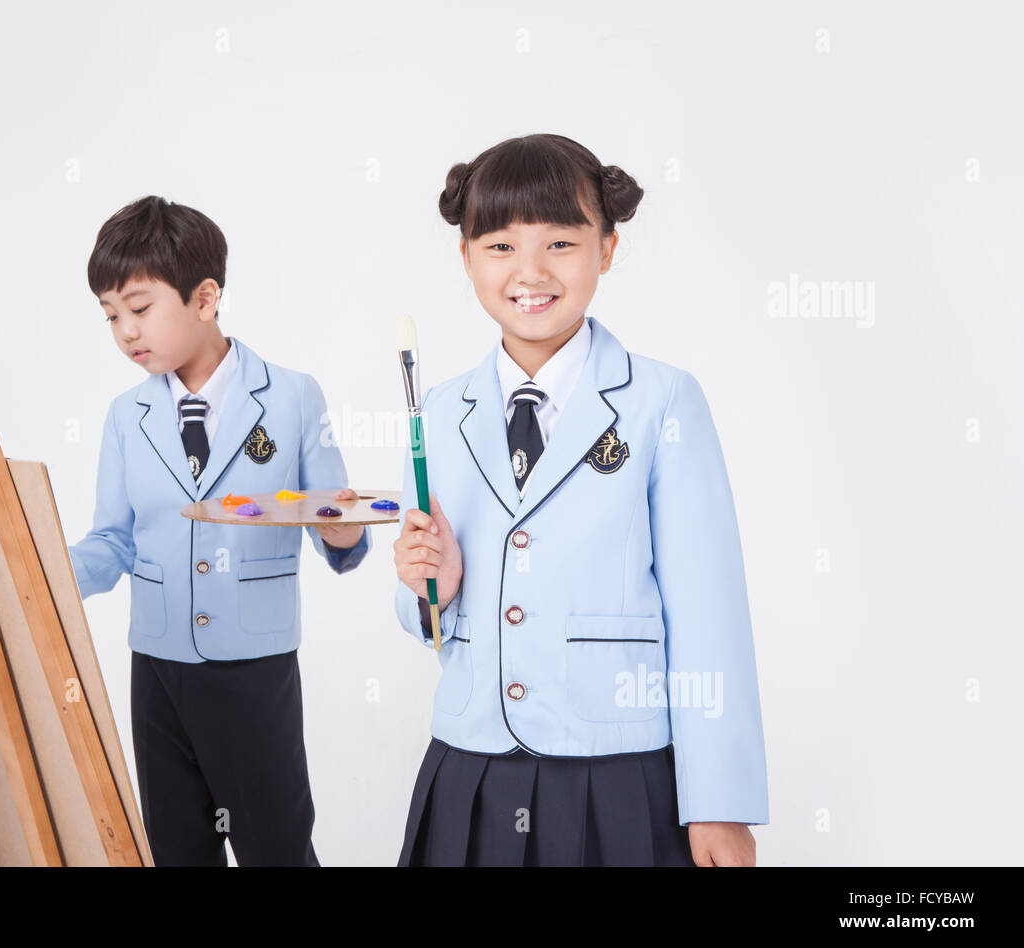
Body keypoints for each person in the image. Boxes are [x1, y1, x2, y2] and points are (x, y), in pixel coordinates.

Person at [391, 134, 768, 866]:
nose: (529, 272)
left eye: (560, 241)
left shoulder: (663, 401)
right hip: (472, 760)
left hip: (616, 766)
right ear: (466, 257)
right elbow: (427, 619)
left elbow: (707, 610)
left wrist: (719, 801)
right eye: (499, 246)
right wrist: (428, 585)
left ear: (608, 247)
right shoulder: (436, 412)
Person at [70, 195, 370, 865]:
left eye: (140, 308)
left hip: (253, 671)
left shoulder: (293, 396)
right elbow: (114, 540)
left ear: (205, 299)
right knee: (179, 849)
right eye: (111, 315)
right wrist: (50, 571)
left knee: (275, 847)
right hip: (157, 669)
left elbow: (334, 522)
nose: (125, 331)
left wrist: (345, 531)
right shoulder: (128, 416)